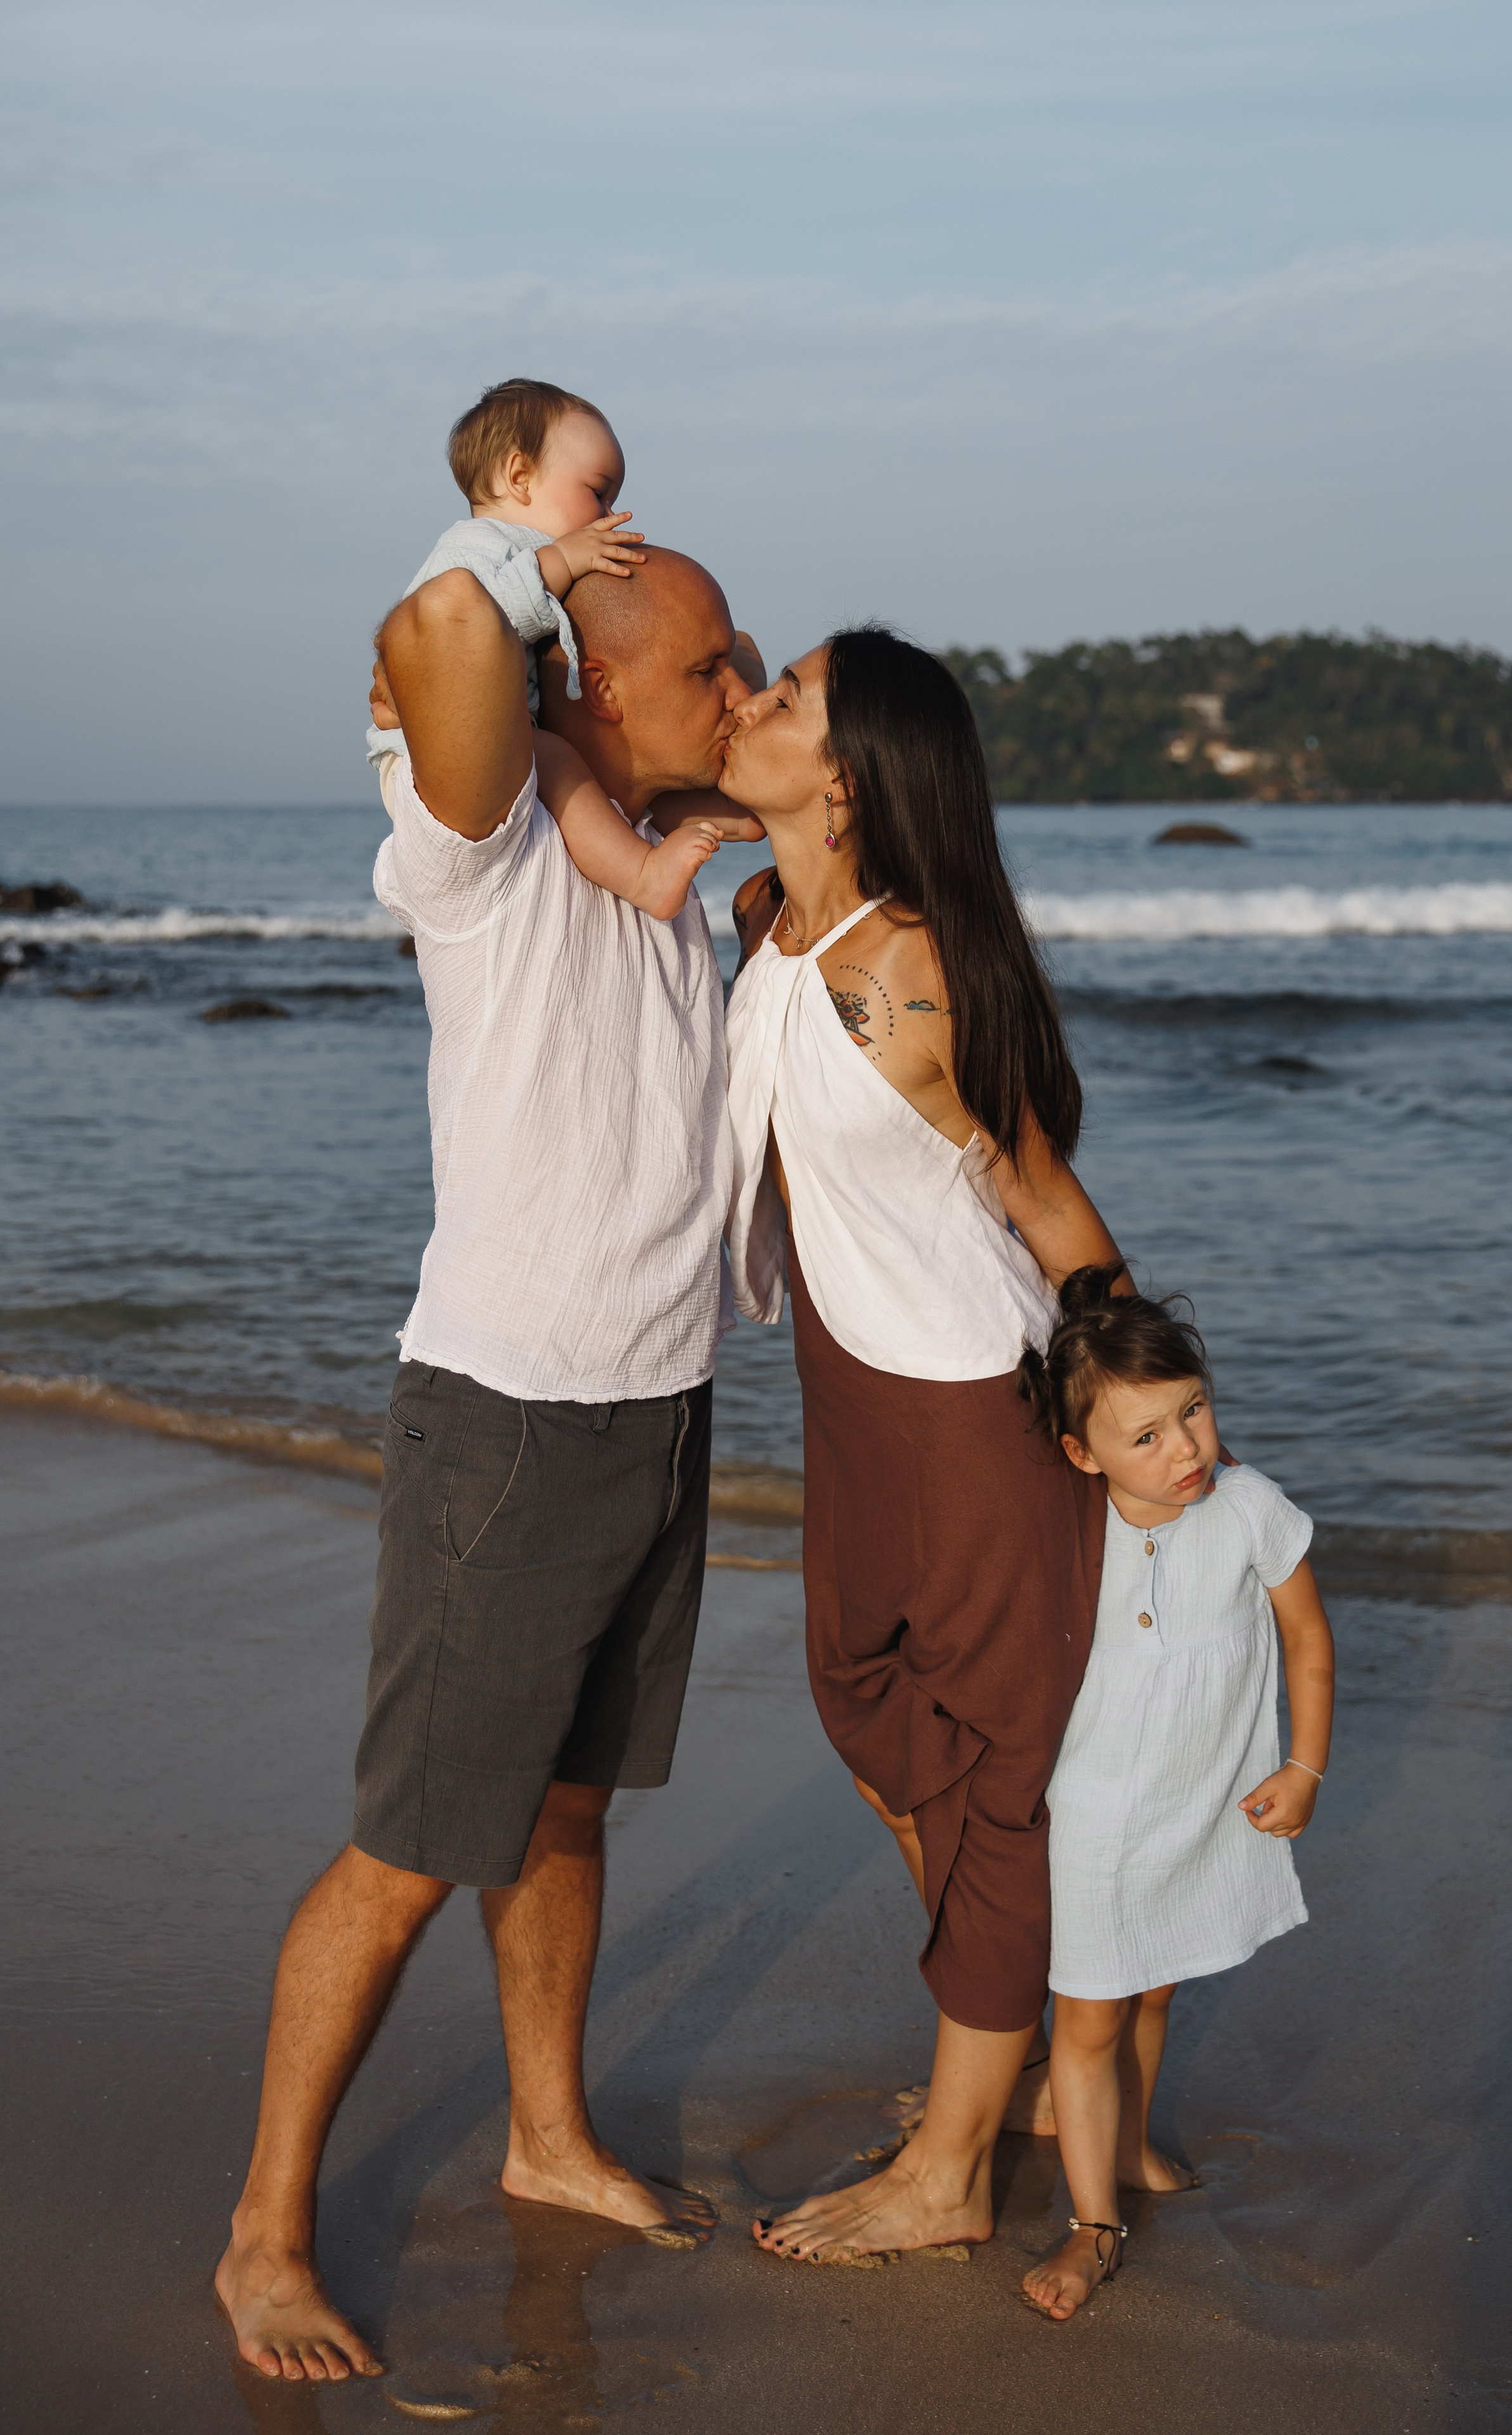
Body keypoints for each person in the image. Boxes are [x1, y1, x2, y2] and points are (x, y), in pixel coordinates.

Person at [214, 545, 762, 2385]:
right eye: (709, 664)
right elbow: (446, 630)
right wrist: (523, 597)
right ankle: (264, 2234)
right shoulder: (491, 846)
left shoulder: (653, 865)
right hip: (516, 1415)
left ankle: (545, 2133)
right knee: (411, 1848)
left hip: (658, 1398)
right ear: (592, 691)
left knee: (568, 1809)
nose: (742, 684)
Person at [721, 624, 1127, 2264]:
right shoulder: (771, 923)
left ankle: (955, 2169)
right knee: (870, 1708)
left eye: (790, 695)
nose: (752, 698)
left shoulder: (903, 972)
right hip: (858, 1410)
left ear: (848, 774)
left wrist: (1147, 1408)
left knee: (1001, 1783)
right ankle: (1019, 2038)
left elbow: (1039, 1196)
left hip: (977, 1419)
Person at [1016, 1266, 1336, 2322]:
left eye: (1192, 1409)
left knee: (1160, 1985)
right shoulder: (1070, 1526)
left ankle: (1134, 2135)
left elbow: (1307, 1641)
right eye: (1144, 1435)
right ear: (1082, 1454)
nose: (1184, 1448)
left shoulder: (1247, 1507)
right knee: (1094, 2013)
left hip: (1203, 1803)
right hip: (1099, 1820)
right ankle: (1090, 2222)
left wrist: (1304, 1766)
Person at [365, 375, 743, 919]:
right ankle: (640, 873)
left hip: (492, 739)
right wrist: (564, 561)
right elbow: (469, 621)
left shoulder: (520, 551)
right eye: (598, 492)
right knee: (558, 759)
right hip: (426, 756)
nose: (609, 513)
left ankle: (704, 812)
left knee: (581, 759)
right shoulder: (472, 553)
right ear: (520, 477)